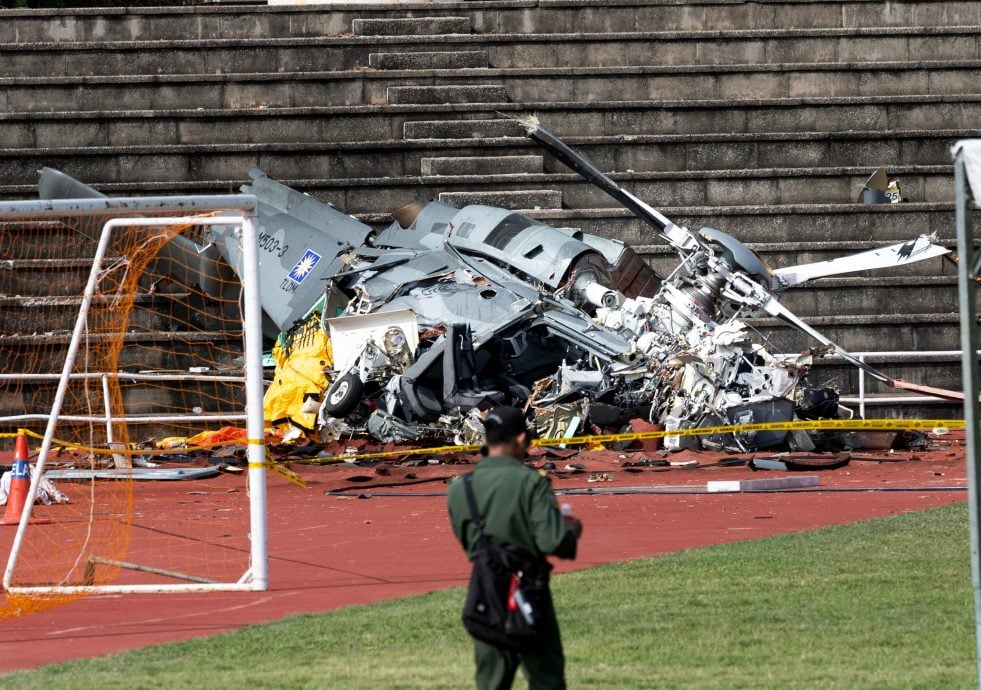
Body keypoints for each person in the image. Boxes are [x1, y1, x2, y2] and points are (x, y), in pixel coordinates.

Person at [448, 405, 583, 690]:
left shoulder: (461, 488)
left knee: (491, 681)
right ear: (521, 439)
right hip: (528, 590)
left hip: (485, 590)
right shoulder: (532, 483)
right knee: (546, 677)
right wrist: (570, 529)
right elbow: (554, 541)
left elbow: (467, 540)